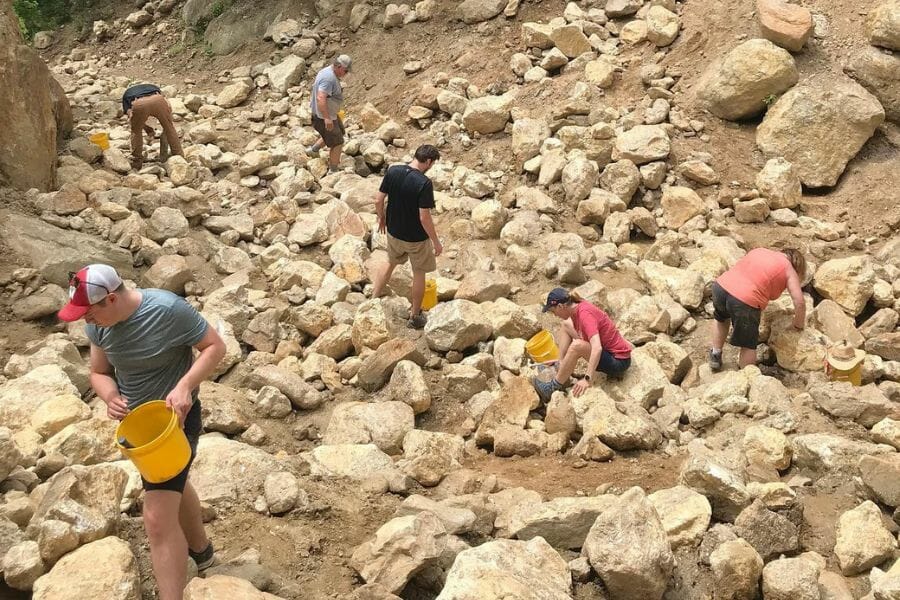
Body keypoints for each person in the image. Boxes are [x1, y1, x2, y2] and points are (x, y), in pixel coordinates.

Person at [57, 264, 225, 600]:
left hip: (175, 424)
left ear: (111, 298)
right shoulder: (101, 328)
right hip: (140, 432)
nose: (85, 321)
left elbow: (215, 347)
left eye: (88, 313)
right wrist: (109, 395)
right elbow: (99, 371)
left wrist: (184, 385)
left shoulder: (167, 310)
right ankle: (203, 552)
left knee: (156, 518)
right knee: (172, 483)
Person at [370, 144, 443, 329]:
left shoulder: (394, 170)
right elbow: (424, 217)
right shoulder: (424, 183)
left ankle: (372, 299)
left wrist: (382, 217)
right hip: (416, 237)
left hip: (394, 230)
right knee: (419, 272)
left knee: (390, 262)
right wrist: (436, 242)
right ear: (428, 161)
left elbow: (378, 199)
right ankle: (415, 315)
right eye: (432, 163)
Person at [709, 247, 806, 371]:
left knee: (720, 318)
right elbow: (800, 302)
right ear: (798, 266)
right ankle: (747, 377)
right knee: (748, 344)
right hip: (745, 299)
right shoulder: (788, 269)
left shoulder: (759, 250)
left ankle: (715, 354)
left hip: (720, 287)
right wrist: (798, 324)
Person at [532, 288, 633, 402]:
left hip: (618, 362)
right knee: (566, 325)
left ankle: (553, 386)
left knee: (577, 346)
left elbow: (597, 348)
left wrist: (587, 379)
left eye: (553, 311)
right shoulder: (577, 307)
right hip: (608, 352)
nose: (555, 315)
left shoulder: (585, 314)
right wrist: (561, 361)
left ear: (561, 306)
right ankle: (560, 364)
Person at [306, 55, 352, 173]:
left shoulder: (327, 71)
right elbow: (321, 97)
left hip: (328, 113)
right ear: (339, 66)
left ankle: (314, 150)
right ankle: (333, 171)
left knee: (339, 132)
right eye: (345, 71)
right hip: (323, 116)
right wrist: (327, 119)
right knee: (337, 142)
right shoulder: (328, 78)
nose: (346, 74)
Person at [122, 83, 183, 171]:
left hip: (139, 103)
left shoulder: (127, 96)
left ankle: (137, 161)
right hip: (158, 99)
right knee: (169, 128)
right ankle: (179, 156)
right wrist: (167, 122)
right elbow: (167, 103)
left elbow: (132, 118)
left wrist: (146, 128)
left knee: (136, 131)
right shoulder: (154, 88)